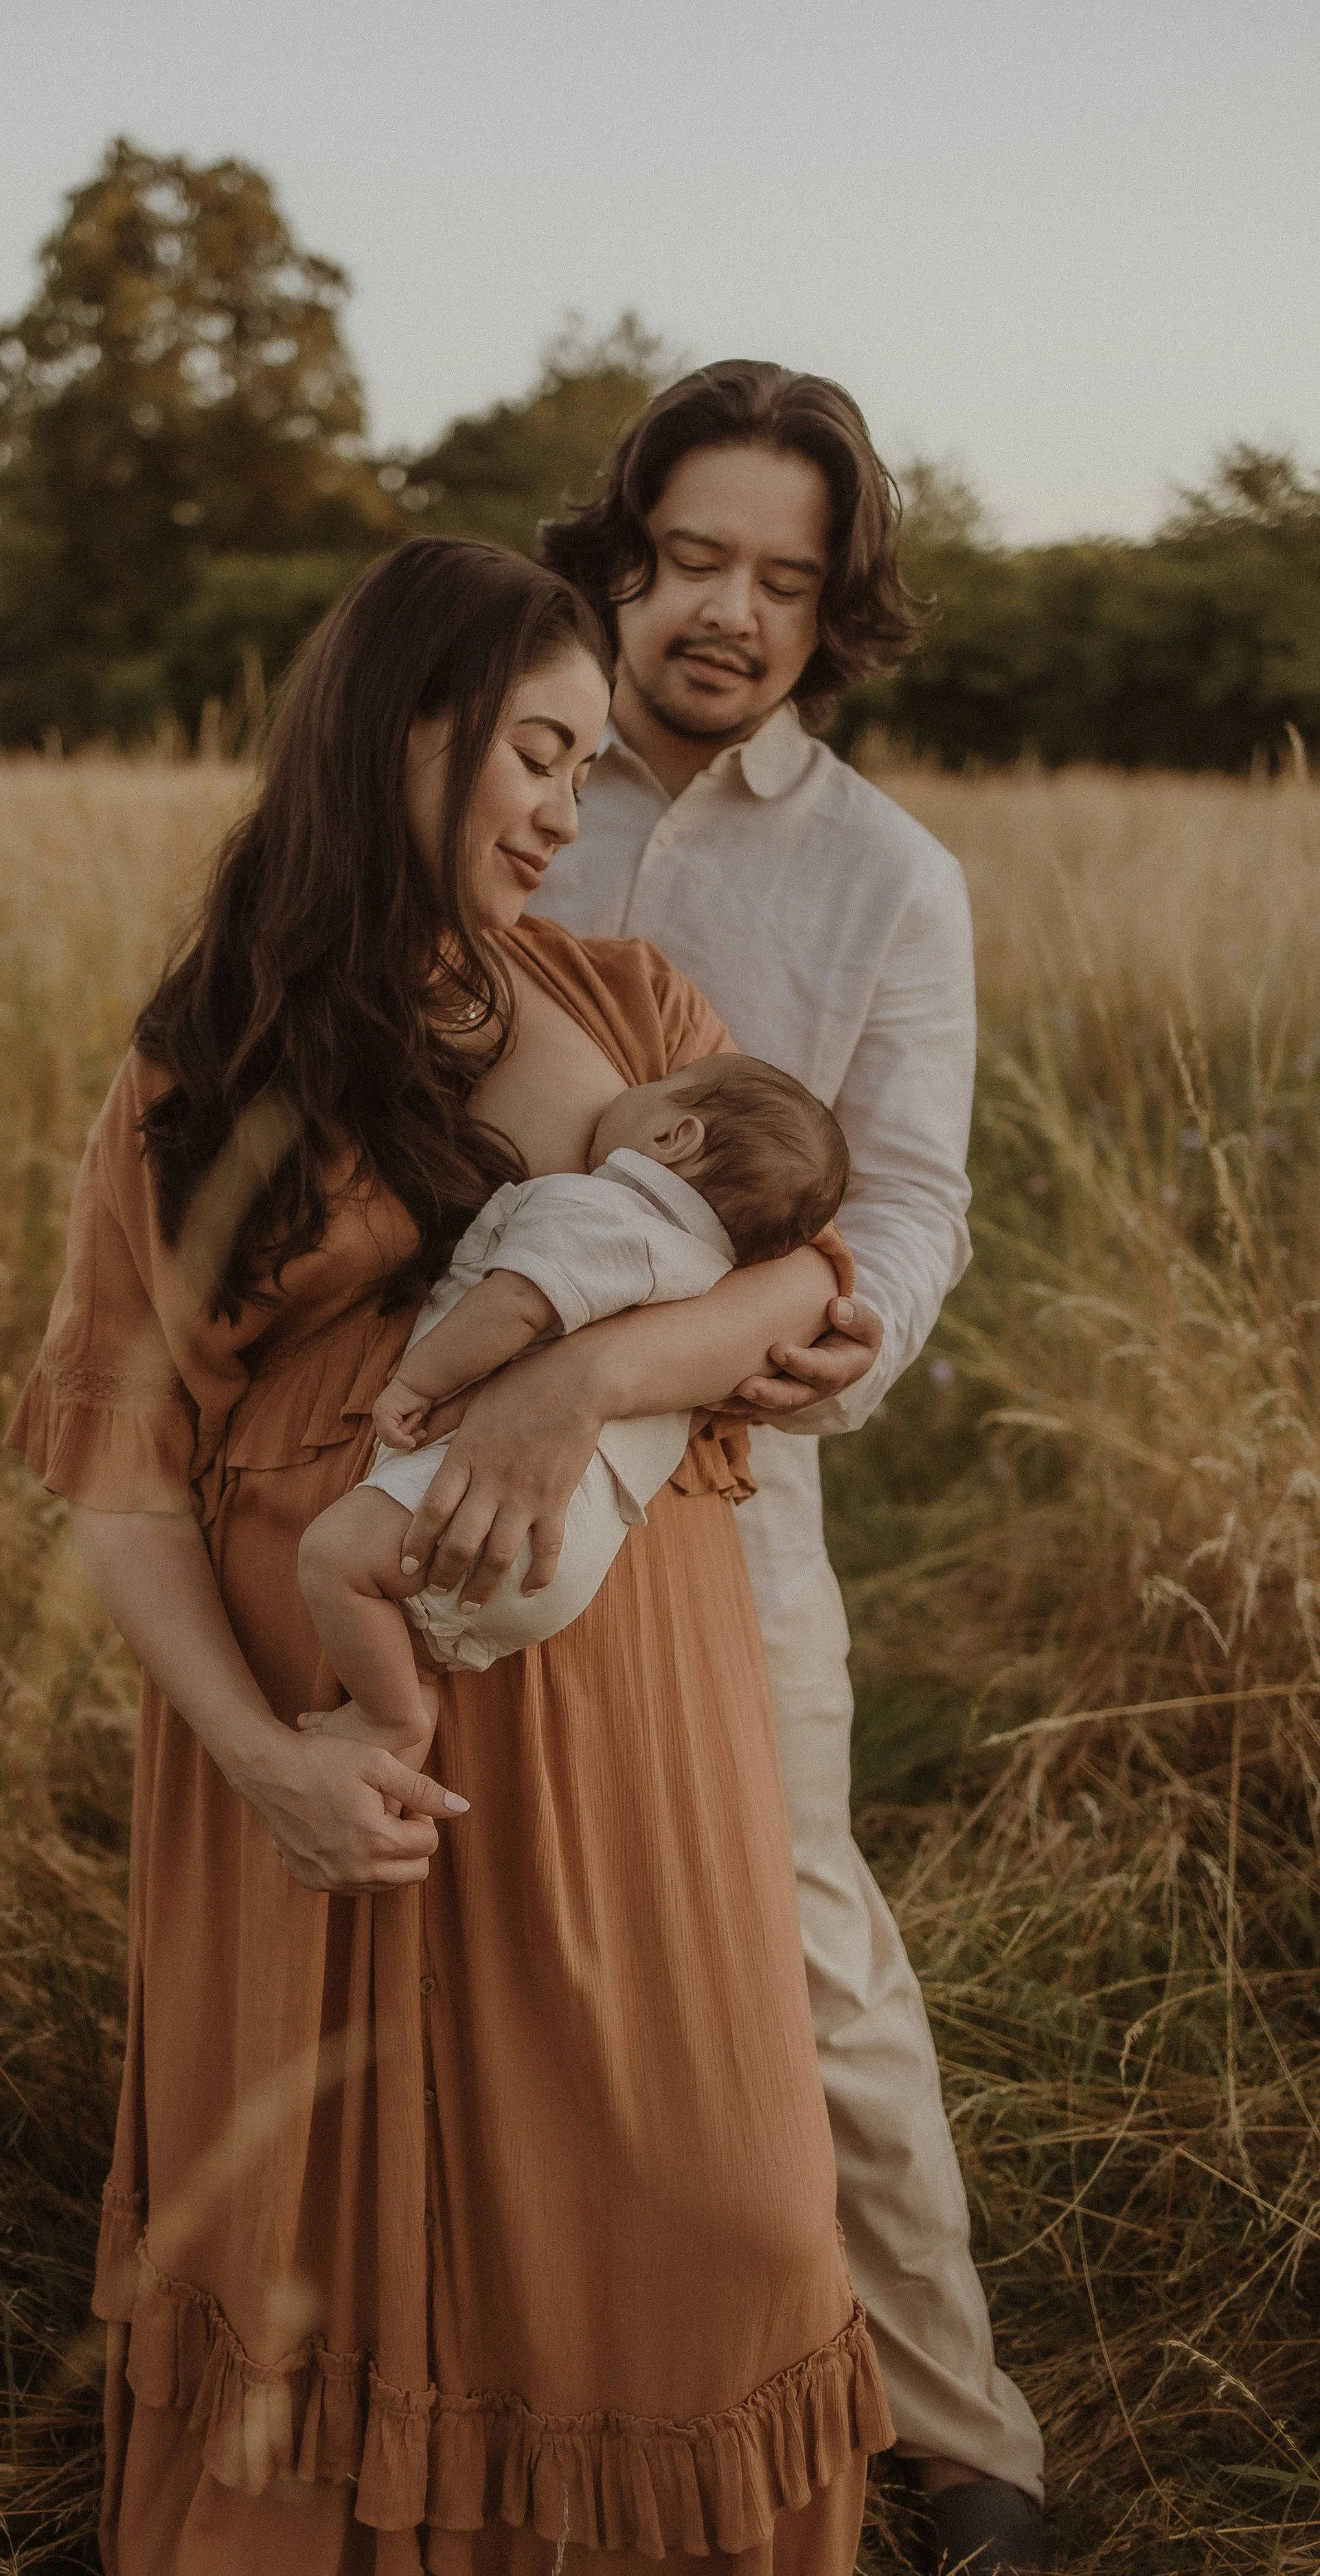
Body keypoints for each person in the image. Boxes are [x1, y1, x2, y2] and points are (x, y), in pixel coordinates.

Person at [9, 534, 893, 2573]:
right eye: (532, 753)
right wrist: (265, 1756)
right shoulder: (196, 1062)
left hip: (623, 1718)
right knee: (336, 2224)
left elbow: (795, 1287)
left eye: (587, 764)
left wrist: (565, 1392)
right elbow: (121, 1486)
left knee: (721, 2201)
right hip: (325, 1736)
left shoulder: (626, 998)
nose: (563, 810)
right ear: (402, 731)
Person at [534, 361, 1047, 2573]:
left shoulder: (882, 875)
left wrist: (831, 1333)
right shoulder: (492, 776)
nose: (727, 610)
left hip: (733, 1466)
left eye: (784, 576)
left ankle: (959, 2435)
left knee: (799, 1934)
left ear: (837, 612)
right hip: (441, 1441)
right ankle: (543, 2391)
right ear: (623, 554)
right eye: (693, 557)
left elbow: (914, 1194)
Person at [297, 1054, 850, 1747]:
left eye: (645, 1089)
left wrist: (416, 1383)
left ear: (674, 1135)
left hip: (484, 1507)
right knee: (411, 1634)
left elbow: (517, 1303)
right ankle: (417, 1691)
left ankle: (389, 1720)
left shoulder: (602, 1212)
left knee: (332, 1558)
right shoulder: (706, 1289)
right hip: (564, 1560)